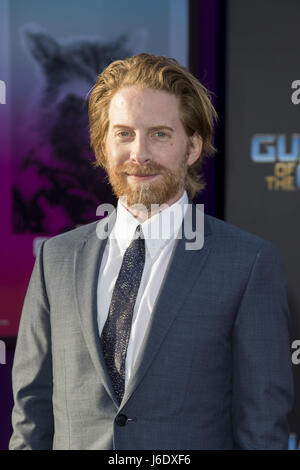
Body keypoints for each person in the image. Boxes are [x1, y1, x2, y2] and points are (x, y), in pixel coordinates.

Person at [9, 54, 293, 450]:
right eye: (124, 134)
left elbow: (262, 429)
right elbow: (32, 414)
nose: (139, 154)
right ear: (102, 145)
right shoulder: (56, 260)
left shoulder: (247, 264)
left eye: (159, 134)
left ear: (192, 146)